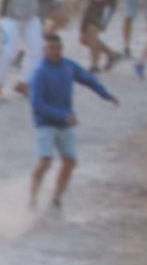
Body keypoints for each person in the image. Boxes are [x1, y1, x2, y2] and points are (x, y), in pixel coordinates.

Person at [15, 31, 119, 215]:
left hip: (65, 123)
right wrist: (62, 115)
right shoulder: (39, 73)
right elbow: (37, 104)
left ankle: (56, 199)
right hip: (46, 124)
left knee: (70, 161)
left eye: (58, 48)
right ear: (45, 50)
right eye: (52, 48)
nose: (56, 51)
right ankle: (32, 198)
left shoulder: (68, 67)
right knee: (46, 161)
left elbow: (88, 80)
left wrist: (106, 95)